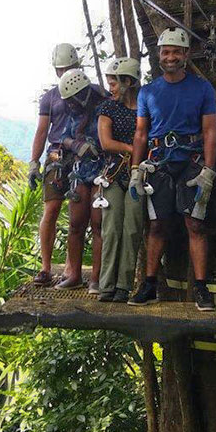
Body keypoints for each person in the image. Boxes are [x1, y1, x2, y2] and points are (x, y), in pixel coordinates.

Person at [127, 27, 216, 311]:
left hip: (191, 162)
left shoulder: (202, 88)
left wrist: (209, 170)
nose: (170, 57)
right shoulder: (148, 92)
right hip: (159, 163)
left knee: (195, 223)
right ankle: (150, 285)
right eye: (166, 52)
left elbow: (210, 131)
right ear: (159, 55)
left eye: (176, 52)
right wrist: (135, 169)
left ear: (186, 54)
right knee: (157, 225)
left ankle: (201, 288)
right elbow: (141, 133)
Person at [28, 43, 80, 286]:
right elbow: (42, 131)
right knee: (51, 210)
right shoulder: (50, 98)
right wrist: (34, 162)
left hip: (82, 156)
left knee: (77, 214)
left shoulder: (90, 92)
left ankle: (71, 267)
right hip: (57, 156)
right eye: (61, 69)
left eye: (68, 68)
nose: (64, 73)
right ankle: (45, 267)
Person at [95, 57, 143, 303]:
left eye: (114, 83)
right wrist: (131, 148)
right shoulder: (107, 108)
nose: (111, 88)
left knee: (132, 228)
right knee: (112, 228)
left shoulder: (145, 106)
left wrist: (135, 153)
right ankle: (107, 285)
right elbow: (106, 143)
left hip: (138, 173)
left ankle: (124, 285)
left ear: (128, 82)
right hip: (114, 174)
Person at [56, 68, 107, 292]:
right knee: (76, 224)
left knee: (98, 225)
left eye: (72, 100)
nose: (70, 105)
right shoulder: (74, 112)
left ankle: (96, 278)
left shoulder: (104, 107)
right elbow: (63, 136)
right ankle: (74, 275)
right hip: (80, 170)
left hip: (102, 170)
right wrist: (76, 145)